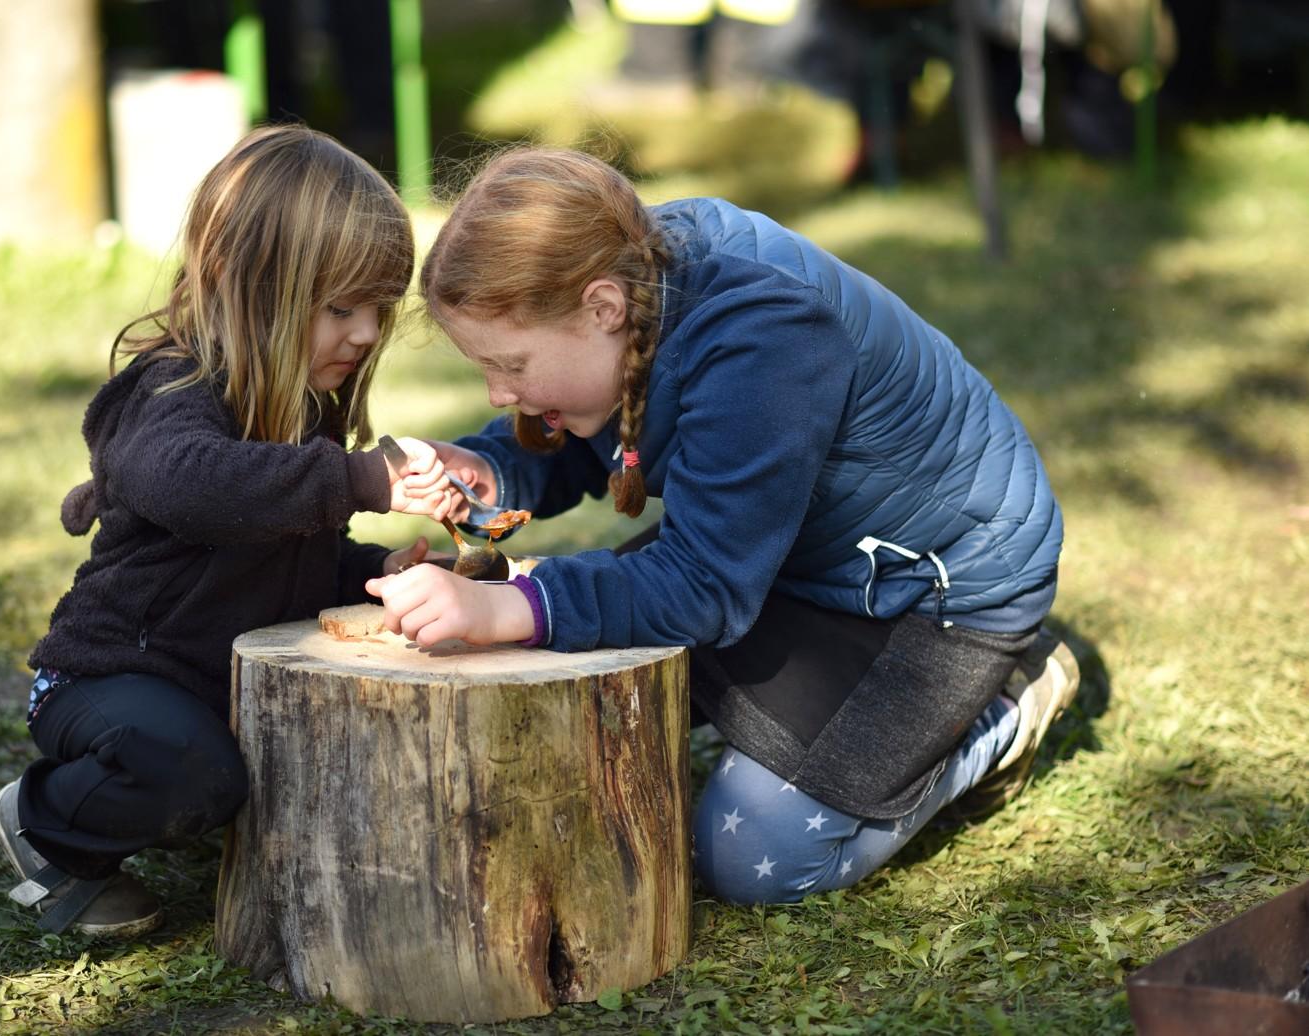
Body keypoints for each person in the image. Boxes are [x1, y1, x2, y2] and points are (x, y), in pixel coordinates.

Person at [368, 147, 1080, 904]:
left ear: (602, 308)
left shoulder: (764, 336)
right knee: (561, 704)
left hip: (931, 594)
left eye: (510, 365)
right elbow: (611, 416)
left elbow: (702, 585)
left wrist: (509, 606)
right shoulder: (631, 280)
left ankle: (1005, 705)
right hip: (784, 552)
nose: (496, 391)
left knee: (754, 854)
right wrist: (492, 466)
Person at [0, 125, 452, 938]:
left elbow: (281, 559)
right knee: (192, 772)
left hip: (210, 690)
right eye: (341, 308)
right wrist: (359, 479)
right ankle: (44, 821)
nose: (366, 333)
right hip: (108, 680)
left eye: (378, 309)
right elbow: (198, 489)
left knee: (256, 760)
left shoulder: (297, 403)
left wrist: (377, 571)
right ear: (242, 282)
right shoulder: (172, 393)